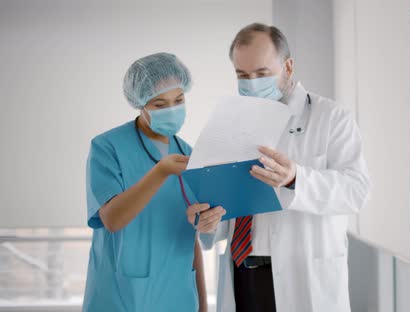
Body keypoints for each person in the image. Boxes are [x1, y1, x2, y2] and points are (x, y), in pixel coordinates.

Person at [187, 23, 371, 312]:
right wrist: (210, 221)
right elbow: (226, 207)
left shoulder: (331, 118)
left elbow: (356, 191)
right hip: (243, 274)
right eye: (242, 75)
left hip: (304, 276)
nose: (251, 82)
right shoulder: (230, 124)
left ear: (288, 66)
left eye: (261, 74)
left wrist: (296, 178)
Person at [83, 52, 217, 312]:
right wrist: (159, 173)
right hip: (122, 296)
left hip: (179, 296)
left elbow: (191, 238)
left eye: (179, 100)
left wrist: (202, 304)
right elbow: (112, 220)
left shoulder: (190, 155)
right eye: (160, 104)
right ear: (140, 103)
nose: (172, 110)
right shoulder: (107, 147)